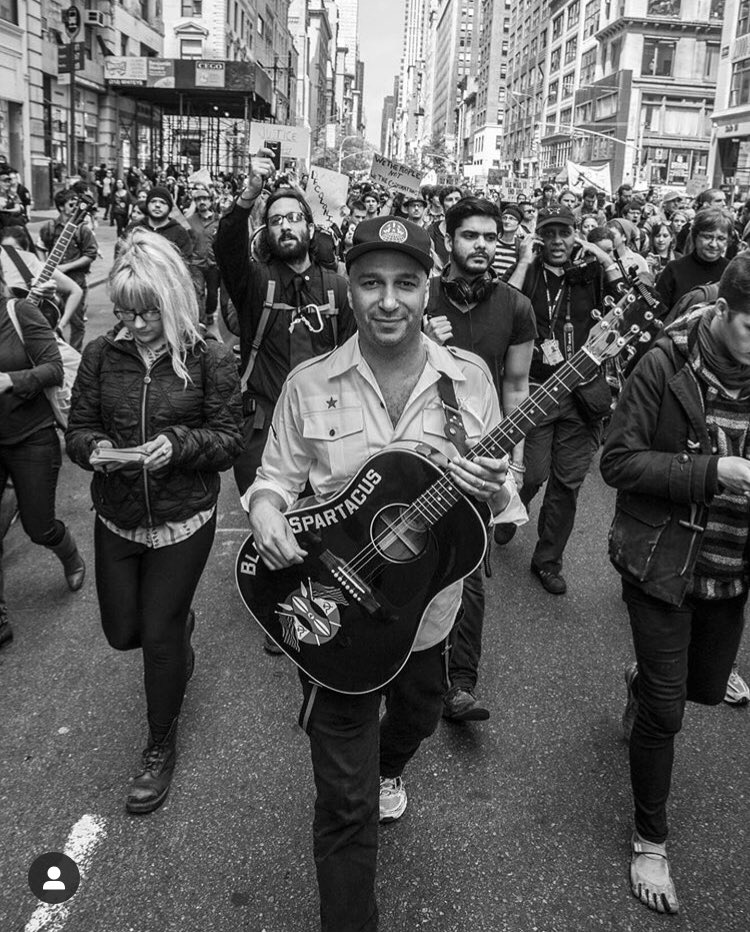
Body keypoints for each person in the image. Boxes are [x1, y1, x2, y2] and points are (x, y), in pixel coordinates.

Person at [244, 215, 520, 931]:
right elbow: (273, 479)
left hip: (428, 617)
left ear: (428, 289)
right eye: (371, 283)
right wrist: (268, 512)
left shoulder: (469, 382)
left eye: (405, 283)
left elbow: (499, 493)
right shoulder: (309, 383)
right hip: (334, 615)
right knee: (344, 800)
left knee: (422, 714)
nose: (388, 300)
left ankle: (390, 761)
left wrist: (492, 481)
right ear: (350, 288)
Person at [65, 228, 243, 813]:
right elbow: (79, 430)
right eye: (123, 312)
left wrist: (178, 443)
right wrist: (93, 450)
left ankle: (159, 745)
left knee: (159, 641)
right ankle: (175, 629)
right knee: (125, 634)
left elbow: (227, 441)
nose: (133, 326)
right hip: (116, 517)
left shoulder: (210, 356)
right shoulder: (99, 354)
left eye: (145, 314)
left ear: (171, 302)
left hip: (181, 521)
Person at [600, 252, 750, 916]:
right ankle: (650, 839)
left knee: (701, 690)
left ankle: (642, 683)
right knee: (667, 712)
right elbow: (620, 460)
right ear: (721, 310)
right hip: (659, 562)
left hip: (729, 569)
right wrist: (715, 472)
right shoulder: (666, 362)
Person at [423, 197, 535, 721]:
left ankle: (459, 684)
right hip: (419, 452)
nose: (483, 246)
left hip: (482, 457)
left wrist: (513, 461)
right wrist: (420, 338)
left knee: (469, 566)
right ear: (449, 240)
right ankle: (400, 665)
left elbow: (516, 386)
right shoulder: (419, 296)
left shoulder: (516, 306)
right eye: (471, 236)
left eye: (491, 237)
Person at [497, 205, 625, 593]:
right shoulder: (529, 272)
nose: (557, 242)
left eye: (564, 233)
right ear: (539, 237)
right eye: (548, 234)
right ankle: (509, 510)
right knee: (533, 473)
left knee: (567, 484)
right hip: (535, 388)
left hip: (582, 393)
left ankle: (548, 560)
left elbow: (630, 297)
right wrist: (523, 260)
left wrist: (603, 255)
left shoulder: (590, 272)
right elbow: (503, 305)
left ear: (575, 235)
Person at [215, 149, 355, 503]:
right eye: (276, 220)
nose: (286, 225)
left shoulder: (336, 288)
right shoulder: (255, 283)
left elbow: (358, 356)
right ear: (266, 232)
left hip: (328, 426)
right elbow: (226, 247)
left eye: (294, 217)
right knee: (269, 527)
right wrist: (249, 193)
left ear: (309, 228)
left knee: (321, 528)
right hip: (264, 429)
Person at [0, 269, 84, 649]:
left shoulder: (18, 312)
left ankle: (69, 553)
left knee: (38, 526)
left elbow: (54, 368)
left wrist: (10, 381)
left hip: (31, 437)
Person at [38, 189, 98, 352]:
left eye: (77, 204)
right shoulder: (49, 227)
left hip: (76, 279)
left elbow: (90, 254)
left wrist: (66, 267)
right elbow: (40, 247)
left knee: (76, 322)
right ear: (60, 207)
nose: (74, 207)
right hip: (53, 281)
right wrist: (45, 267)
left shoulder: (82, 229)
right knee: (48, 317)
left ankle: (75, 353)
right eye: (71, 204)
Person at [1, 225, 83, 331]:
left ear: (25, 249)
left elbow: (76, 291)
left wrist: (61, 324)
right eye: (6, 250)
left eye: (16, 250)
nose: (11, 255)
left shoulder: (39, 267)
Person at [655, 207, 732, 317]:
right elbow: (658, 315)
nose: (713, 244)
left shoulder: (731, 272)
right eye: (707, 237)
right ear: (695, 236)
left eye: (721, 238)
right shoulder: (674, 269)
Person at [127, 187, 193, 263]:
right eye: (153, 201)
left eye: (163, 202)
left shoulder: (179, 232)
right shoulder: (134, 228)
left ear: (169, 207)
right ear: (147, 205)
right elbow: (121, 254)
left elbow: (186, 261)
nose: (157, 205)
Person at [187, 186, 220, 327]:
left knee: (212, 293)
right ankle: (201, 320)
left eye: (205, 198)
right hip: (196, 263)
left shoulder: (219, 220)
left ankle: (209, 312)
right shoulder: (190, 220)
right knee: (198, 291)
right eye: (198, 199)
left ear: (210, 201)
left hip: (214, 264)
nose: (202, 201)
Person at [427, 186, 463, 269]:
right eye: (449, 200)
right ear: (442, 204)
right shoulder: (432, 230)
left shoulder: (471, 229)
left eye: (457, 199)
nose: (454, 203)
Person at [492, 203, 523, 279]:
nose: (507, 221)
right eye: (504, 217)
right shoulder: (492, 241)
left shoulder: (520, 246)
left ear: (518, 224)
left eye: (511, 218)